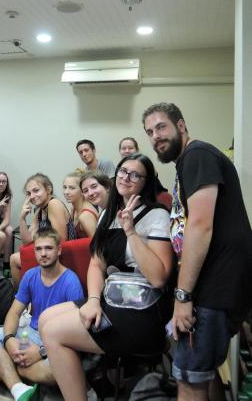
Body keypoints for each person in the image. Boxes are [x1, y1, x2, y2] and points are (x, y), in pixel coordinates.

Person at [40, 154, 173, 401]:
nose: (126, 177)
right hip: (113, 297)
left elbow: (158, 278)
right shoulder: (107, 214)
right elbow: (96, 264)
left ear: (146, 182)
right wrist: (92, 300)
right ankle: (85, 390)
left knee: (53, 332)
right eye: (123, 171)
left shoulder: (157, 215)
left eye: (135, 174)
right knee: (45, 317)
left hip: (143, 311)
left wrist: (131, 231)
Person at [142, 102, 252, 401]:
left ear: (181, 125)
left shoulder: (197, 155)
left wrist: (183, 296)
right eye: (149, 132)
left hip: (214, 284)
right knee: (203, 372)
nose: (155, 136)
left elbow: (200, 226)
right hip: (215, 283)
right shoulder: (187, 161)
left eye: (161, 127)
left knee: (189, 379)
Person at [0, 227, 84, 401]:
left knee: (57, 371)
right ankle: (19, 389)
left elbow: (76, 333)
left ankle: (3, 369)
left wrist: (41, 352)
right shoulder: (30, 275)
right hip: (29, 334)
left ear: (59, 250)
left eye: (48, 248)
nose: (43, 253)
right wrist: (9, 340)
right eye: (38, 249)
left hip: (57, 341)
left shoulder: (71, 282)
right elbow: (14, 313)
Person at [10, 173, 75, 287]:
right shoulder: (40, 210)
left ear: (48, 189)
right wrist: (22, 218)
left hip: (63, 255)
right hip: (49, 251)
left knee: (14, 259)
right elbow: (26, 241)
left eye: (36, 190)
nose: (32, 196)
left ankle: (22, 295)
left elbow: (61, 240)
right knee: (15, 257)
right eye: (29, 193)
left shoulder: (53, 204)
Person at [63, 172, 99, 238]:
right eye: (65, 187)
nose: (66, 192)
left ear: (82, 190)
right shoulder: (74, 209)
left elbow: (97, 242)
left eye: (72, 188)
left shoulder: (86, 215)